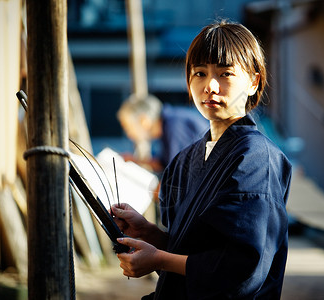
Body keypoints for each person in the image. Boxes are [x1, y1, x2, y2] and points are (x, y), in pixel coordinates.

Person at [112, 20, 292, 299]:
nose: (210, 85)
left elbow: (242, 268)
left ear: (254, 81)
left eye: (225, 74)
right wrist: (150, 234)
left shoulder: (257, 160)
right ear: (188, 81)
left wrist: (159, 259)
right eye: (199, 73)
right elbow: (192, 251)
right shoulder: (184, 159)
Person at [117, 94, 209, 173]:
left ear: (143, 121)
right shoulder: (168, 124)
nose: (129, 135)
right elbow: (164, 164)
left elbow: (180, 175)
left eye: (128, 128)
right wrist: (135, 161)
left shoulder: (174, 125)